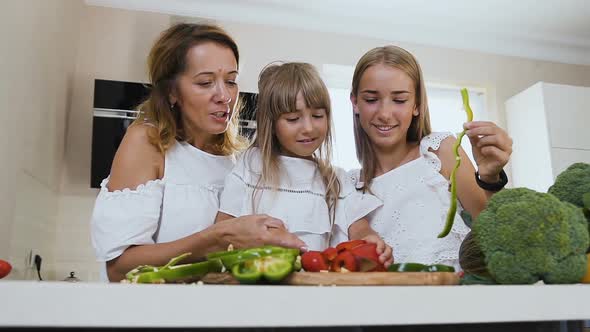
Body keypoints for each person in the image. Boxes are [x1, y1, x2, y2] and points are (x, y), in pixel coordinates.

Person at [90, 23, 305, 282]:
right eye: (205, 83)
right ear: (172, 91)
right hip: (149, 317)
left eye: (231, 81)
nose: (225, 96)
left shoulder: (239, 160)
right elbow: (119, 269)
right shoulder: (147, 142)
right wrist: (216, 238)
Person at [348, 46, 512, 270]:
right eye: (371, 99)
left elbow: (496, 231)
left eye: (399, 100)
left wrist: (490, 176)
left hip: (455, 296)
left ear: (416, 105)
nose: (385, 114)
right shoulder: (350, 187)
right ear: (355, 103)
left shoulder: (439, 151)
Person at [216, 62, 393, 266]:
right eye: (293, 119)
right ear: (271, 123)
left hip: (314, 290)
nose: (308, 128)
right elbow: (222, 231)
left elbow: (359, 228)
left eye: (318, 116)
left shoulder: (335, 180)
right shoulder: (249, 166)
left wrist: (371, 240)